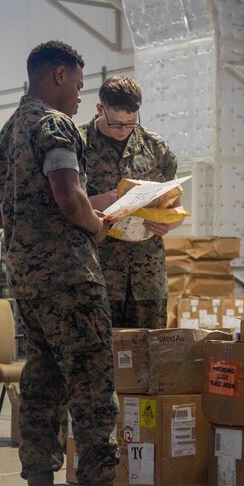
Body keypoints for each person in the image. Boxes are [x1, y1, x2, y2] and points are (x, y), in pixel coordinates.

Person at [0, 41, 119, 486]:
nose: (82, 98)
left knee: (42, 389)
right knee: (92, 389)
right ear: (59, 75)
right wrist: (96, 225)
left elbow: (3, 207)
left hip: (27, 283)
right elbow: (69, 195)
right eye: (81, 86)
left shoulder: (6, 135)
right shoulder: (54, 125)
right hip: (70, 278)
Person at [79, 75, 180, 329]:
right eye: (116, 124)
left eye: (130, 124)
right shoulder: (77, 144)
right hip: (98, 272)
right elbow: (63, 202)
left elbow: (175, 202)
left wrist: (168, 222)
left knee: (150, 353)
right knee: (100, 355)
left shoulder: (155, 147)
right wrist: (105, 200)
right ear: (100, 109)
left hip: (146, 276)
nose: (124, 130)